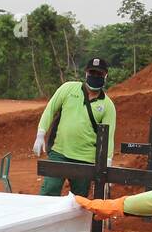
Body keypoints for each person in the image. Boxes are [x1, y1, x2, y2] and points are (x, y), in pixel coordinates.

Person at [32, 57, 117, 197]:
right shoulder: (68, 88)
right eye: (92, 73)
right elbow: (50, 109)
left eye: (99, 74)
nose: (95, 76)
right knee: (49, 191)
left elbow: (109, 136)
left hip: (85, 159)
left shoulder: (108, 106)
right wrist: (40, 133)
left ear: (105, 76)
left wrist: (107, 162)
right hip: (59, 153)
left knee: (79, 199)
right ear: (86, 73)